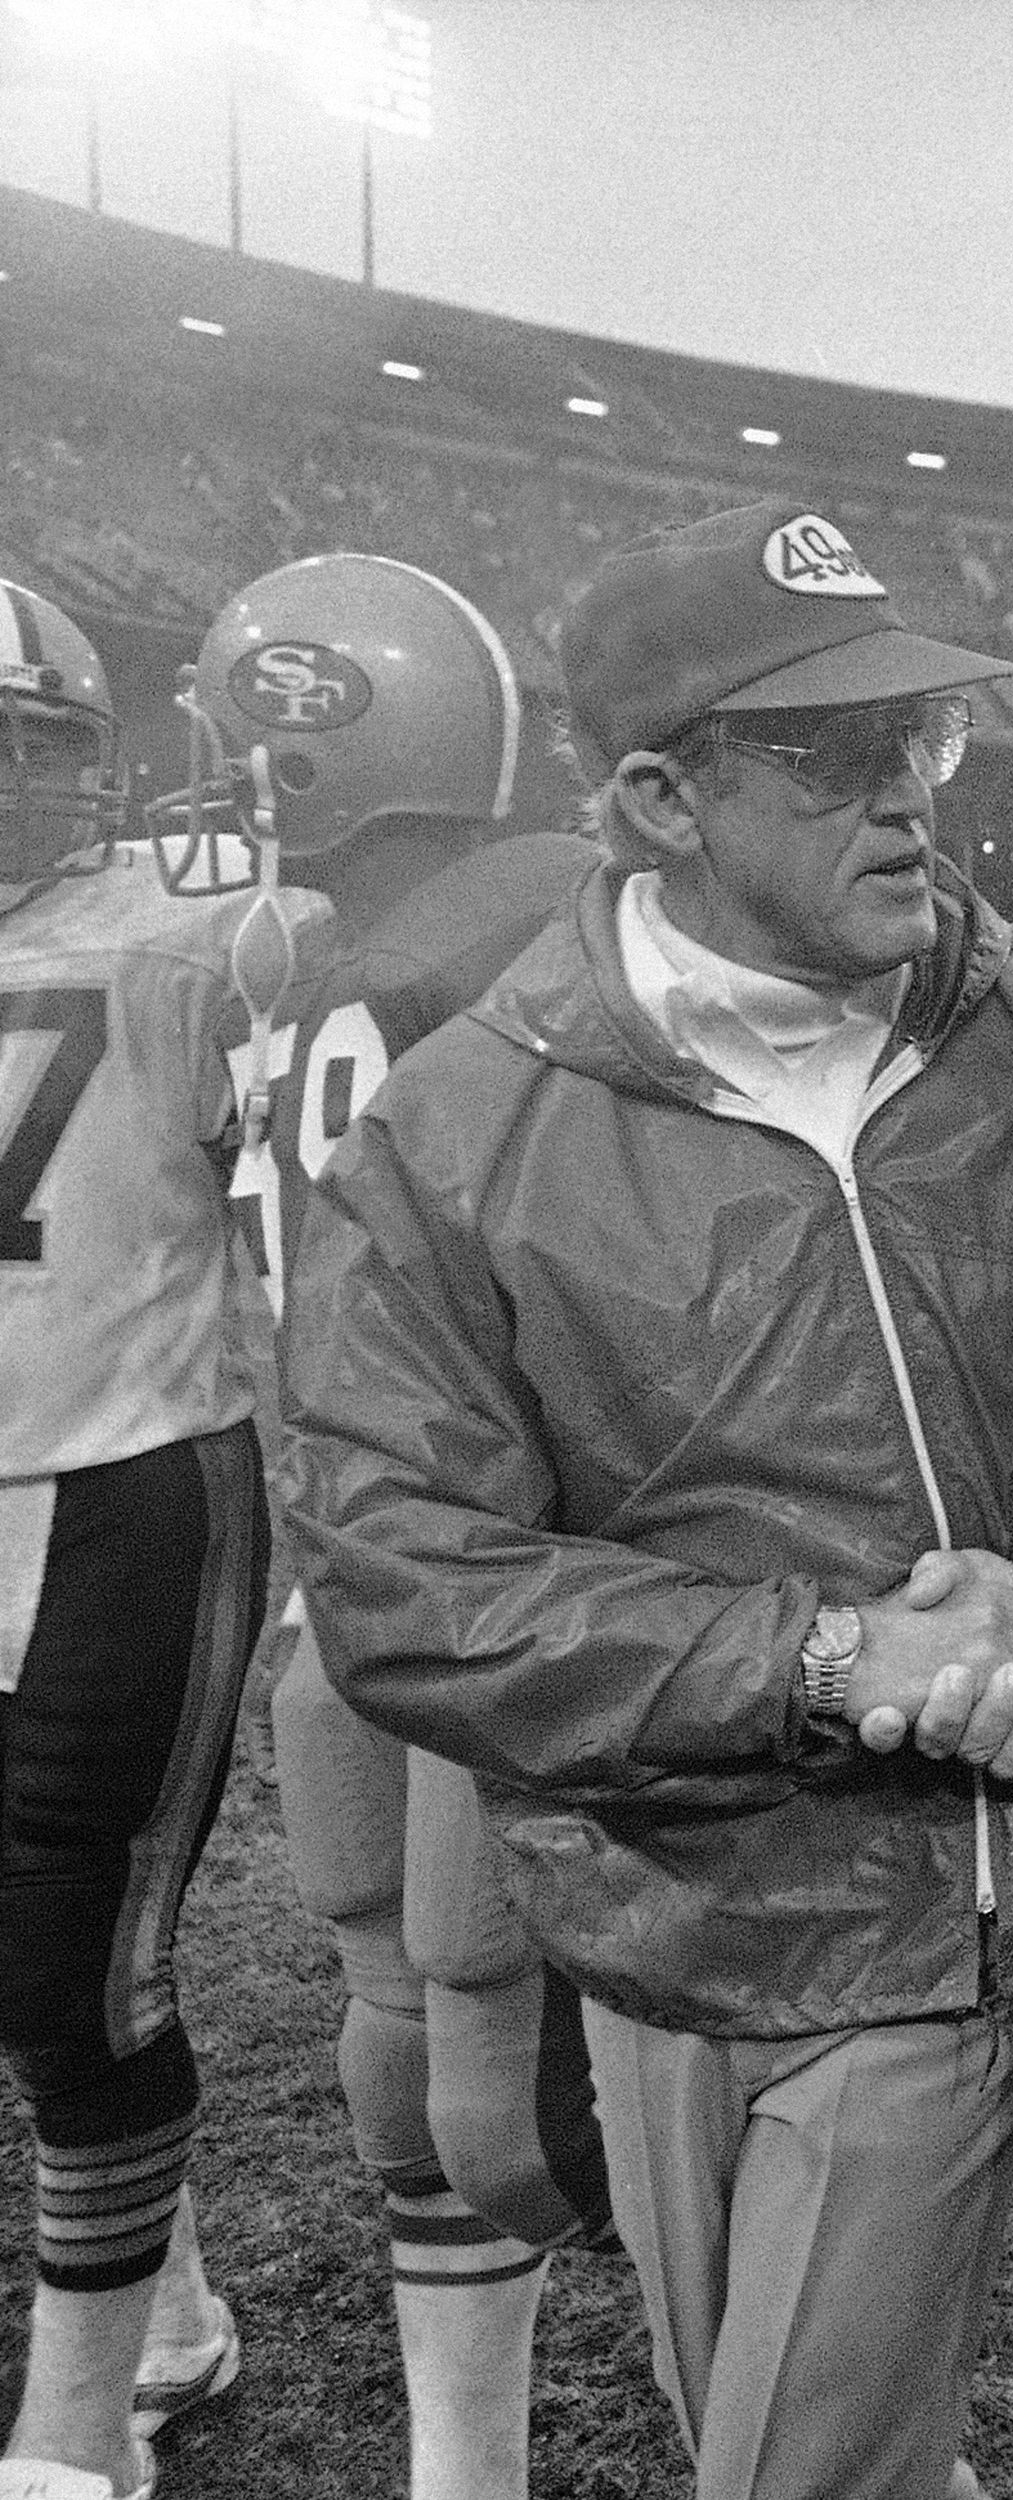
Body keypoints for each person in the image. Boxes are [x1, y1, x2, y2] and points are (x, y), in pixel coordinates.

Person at [279, 499, 1013, 2500]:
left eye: (919, 745)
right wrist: (843, 1649)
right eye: (839, 760)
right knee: (775, 2433)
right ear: (662, 799)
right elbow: (400, 1577)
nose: (910, 803)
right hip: (646, 1909)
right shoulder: (461, 1136)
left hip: (938, 1912)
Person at [149, 550, 610, 2500]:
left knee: (457, 2030)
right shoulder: (497, 919)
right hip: (459, 1558)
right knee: (430, 2019)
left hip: (451, 1570)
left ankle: (506, 2449)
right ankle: (475, 2455)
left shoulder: (386, 946)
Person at [0, 582, 330, 2500]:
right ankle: (174, 2318)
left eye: (28, 737)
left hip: (125, 1491)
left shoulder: (211, 938)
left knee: (73, 1973)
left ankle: (71, 2443)